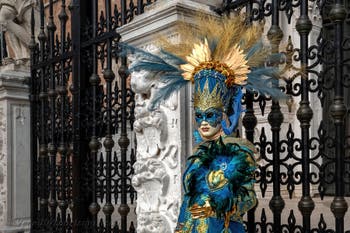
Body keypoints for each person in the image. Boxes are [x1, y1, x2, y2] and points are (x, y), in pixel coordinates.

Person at [123, 15, 285, 233]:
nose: (204, 122)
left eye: (210, 115)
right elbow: (187, 203)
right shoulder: (196, 156)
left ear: (223, 114)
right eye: (199, 116)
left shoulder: (238, 153)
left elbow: (247, 197)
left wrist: (217, 206)